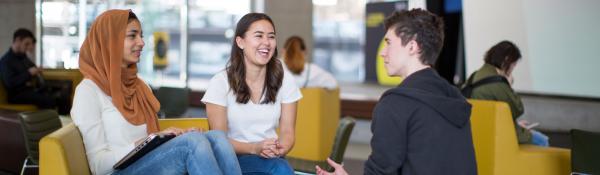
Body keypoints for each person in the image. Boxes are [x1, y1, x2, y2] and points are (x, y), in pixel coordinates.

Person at [71, 9, 241, 175]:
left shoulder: (138, 85)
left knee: (218, 138)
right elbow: (98, 166)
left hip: (145, 160)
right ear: (110, 41)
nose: (142, 42)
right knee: (191, 143)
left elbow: (151, 141)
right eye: (132, 35)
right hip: (117, 171)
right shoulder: (88, 91)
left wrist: (169, 138)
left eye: (141, 35)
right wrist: (147, 142)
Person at [317, 9, 477, 175]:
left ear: (412, 46)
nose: (382, 52)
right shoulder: (455, 98)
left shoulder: (396, 104)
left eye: (388, 42)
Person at [202, 13, 302, 175]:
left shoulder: (285, 78)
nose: (266, 43)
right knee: (280, 169)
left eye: (271, 37)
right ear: (240, 42)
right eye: (258, 36)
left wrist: (279, 148)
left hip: (271, 159)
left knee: (279, 167)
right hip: (233, 159)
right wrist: (254, 148)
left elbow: (287, 131)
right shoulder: (220, 82)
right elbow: (219, 142)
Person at [463, 41, 549, 146]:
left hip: (478, 131)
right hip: (498, 134)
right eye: (513, 65)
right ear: (506, 60)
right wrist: (509, 84)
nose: (512, 70)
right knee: (543, 140)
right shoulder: (497, 82)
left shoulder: (475, 76)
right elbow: (518, 108)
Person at [0, 28, 69, 113]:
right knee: (48, 100)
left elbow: (33, 69)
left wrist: (34, 70)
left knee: (63, 95)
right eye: (27, 44)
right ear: (17, 40)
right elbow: (10, 83)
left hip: (30, 91)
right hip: (17, 95)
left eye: (30, 44)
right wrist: (29, 73)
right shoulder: (6, 61)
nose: (29, 47)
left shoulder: (23, 57)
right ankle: (52, 123)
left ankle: (65, 123)